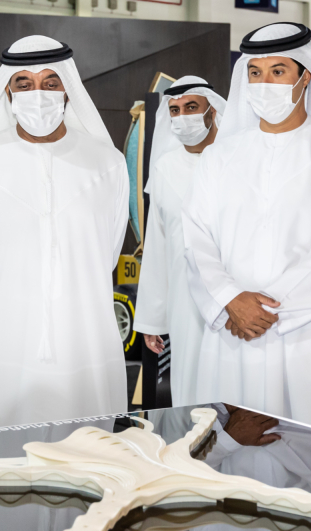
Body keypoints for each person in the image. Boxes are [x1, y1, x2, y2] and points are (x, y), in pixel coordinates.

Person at [183, 22, 311, 436]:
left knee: (310, 455)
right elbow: (196, 236)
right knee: (226, 455)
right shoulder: (220, 155)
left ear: (305, 76)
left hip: (309, 334)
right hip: (231, 330)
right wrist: (230, 299)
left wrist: (267, 311)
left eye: (278, 71)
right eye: (255, 72)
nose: (265, 83)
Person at [0, 35, 129, 431]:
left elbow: (106, 253)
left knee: (85, 449)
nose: (38, 94)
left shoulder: (107, 164)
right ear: (7, 92)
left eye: (51, 82)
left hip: (82, 343)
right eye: (24, 83)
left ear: (68, 90)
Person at [134, 76, 226, 407]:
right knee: (189, 395)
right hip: (183, 305)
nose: (182, 116)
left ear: (212, 110)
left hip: (232, 302)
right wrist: (152, 319)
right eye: (175, 110)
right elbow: (157, 248)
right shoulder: (164, 168)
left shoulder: (237, 160)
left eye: (191, 107)